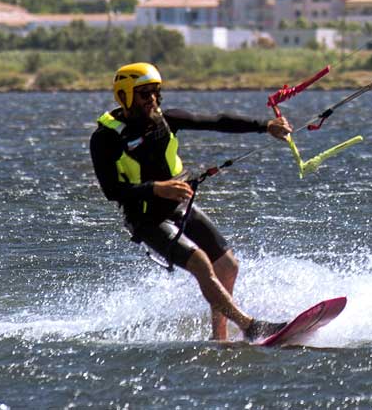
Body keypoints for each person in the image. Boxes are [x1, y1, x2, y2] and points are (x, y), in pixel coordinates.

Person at [89, 61, 292, 342]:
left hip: (178, 206)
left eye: (156, 92)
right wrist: (156, 189)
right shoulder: (106, 138)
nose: (153, 99)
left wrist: (265, 126)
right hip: (147, 218)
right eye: (144, 94)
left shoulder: (166, 120)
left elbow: (216, 121)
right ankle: (249, 326)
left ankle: (218, 338)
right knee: (199, 263)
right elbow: (112, 190)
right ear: (125, 95)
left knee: (228, 266)